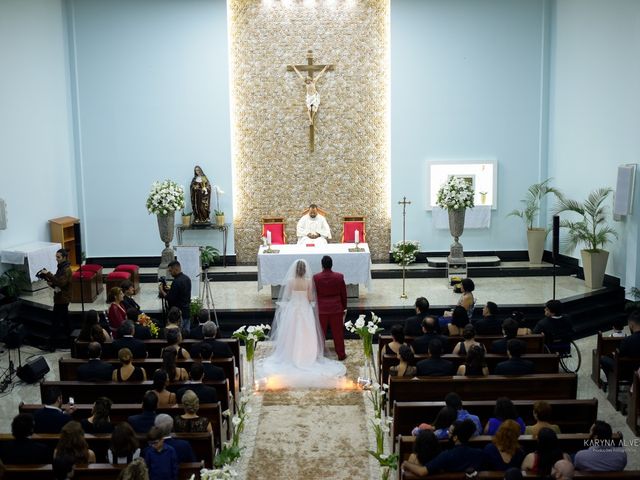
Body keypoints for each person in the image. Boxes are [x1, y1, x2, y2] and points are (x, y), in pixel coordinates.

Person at [257, 258, 346, 388]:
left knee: (291, 333)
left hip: (293, 309)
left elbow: (286, 296)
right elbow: (310, 298)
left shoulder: (290, 281)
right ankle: (307, 355)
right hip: (305, 309)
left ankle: (291, 355)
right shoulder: (308, 282)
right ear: (305, 271)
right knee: (306, 332)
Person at [403, 419, 484, 476]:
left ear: (455, 437)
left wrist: (405, 463)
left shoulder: (446, 455)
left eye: (450, 432)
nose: (447, 433)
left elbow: (422, 472)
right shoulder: (479, 453)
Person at [313, 255, 347, 360]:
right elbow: (343, 294)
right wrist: (344, 306)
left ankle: (319, 355)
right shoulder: (339, 276)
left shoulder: (316, 277)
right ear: (332, 264)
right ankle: (341, 354)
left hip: (322, 308)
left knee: (320, 333)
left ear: (322, 265)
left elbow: (315, 293)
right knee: (338, 333)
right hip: (336, 308)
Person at [39, 248, 72, 351]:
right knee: (65, 322)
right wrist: (51, 283)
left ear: (64, 258)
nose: (56, 259)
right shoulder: (61, 267)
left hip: (62, 299)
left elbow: (61, 283)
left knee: (55, 323)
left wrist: (48, 274)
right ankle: (71, 342)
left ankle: (51, 345)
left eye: (58, 257)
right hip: (60, 298)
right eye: (56, 257)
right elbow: (58, 283)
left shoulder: (66, 269)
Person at [601, 311, 640, 382]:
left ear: (631, 324)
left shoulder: (628, 340)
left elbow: (618, 356)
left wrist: (614, 353)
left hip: (628, 372)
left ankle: (611, 381)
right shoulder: (627, 338)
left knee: (603, 359)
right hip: (638, 369)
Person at [158, 261, 192, 334]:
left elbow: (170, 298)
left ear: (175, 269)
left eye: (171, 271)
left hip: (178, 315)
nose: (170, 273)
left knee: (176, 335)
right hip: (187, 310)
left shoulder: (176, 282)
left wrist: (162, 290)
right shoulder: (187, 278)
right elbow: (181, 292)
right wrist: (171, 289)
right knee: (186, 334)